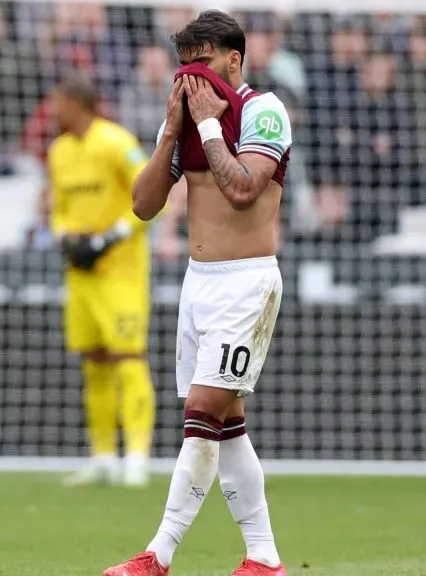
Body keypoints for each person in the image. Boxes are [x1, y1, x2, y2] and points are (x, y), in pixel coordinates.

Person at [105, 10, 291, 576]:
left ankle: (157, 556)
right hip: (197, 285)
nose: (192, 78)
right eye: (184, 66)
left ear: (233, 59)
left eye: (203, 63)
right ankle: (264, 558)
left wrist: (209, 125)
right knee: (227, 423)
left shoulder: (264, 110)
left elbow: (241, 190)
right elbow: (141, 206)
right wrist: (170, 129)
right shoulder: (188, 120)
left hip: (248, 282)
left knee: (201, 410)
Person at [47, 74, 157, 488]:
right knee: (93, 364)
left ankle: (138, 457)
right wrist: (64, 237)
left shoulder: (117, 142)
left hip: (120, 273)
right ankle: (104, 456)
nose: (53, 110)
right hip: (81, 274)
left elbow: (152, 200)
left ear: (78, 103)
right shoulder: (59, 151)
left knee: (129, 361)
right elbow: (59, 207)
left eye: (58, 101)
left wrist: (108, 238)